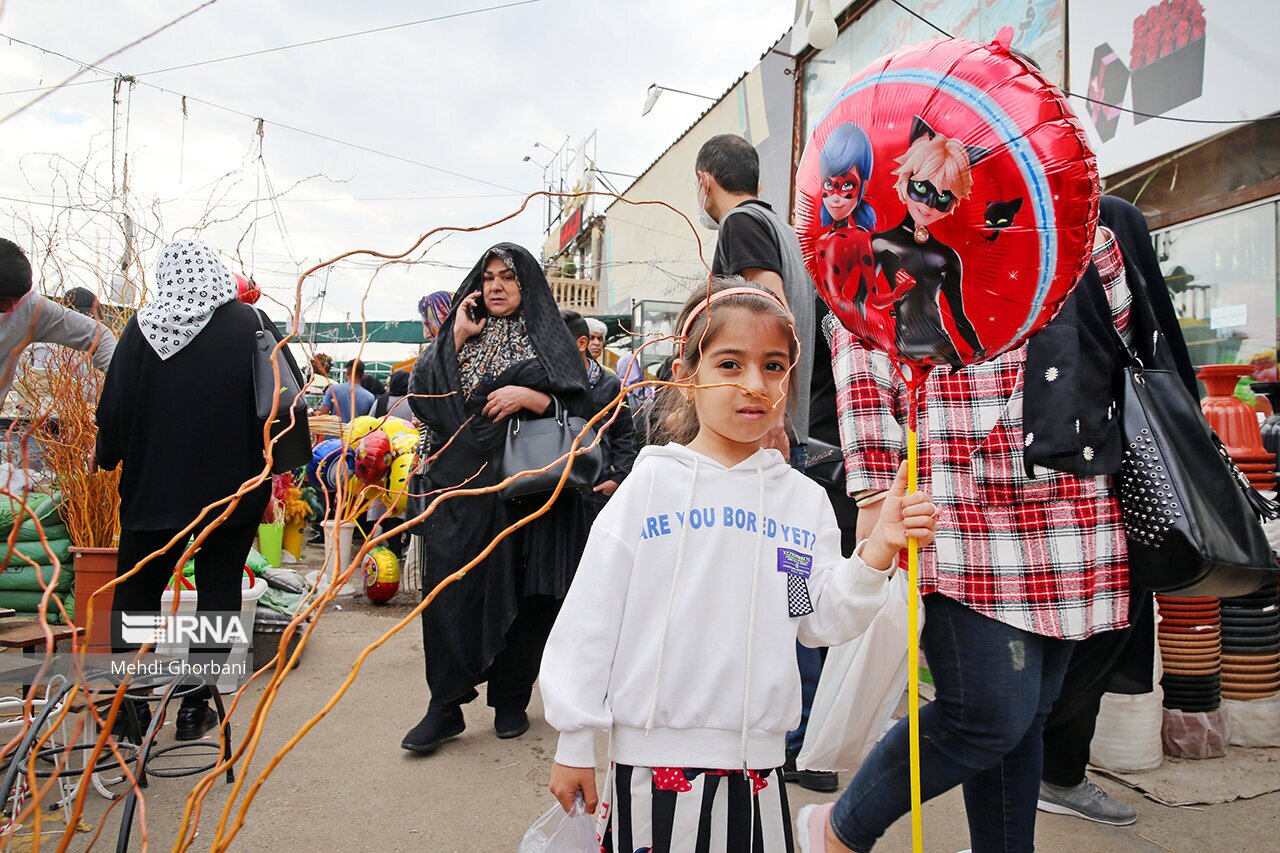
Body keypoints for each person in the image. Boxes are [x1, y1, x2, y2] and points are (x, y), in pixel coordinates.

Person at [803, 200, 1166, 852]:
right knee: (984, 716)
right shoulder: (893, 251)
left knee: (1028, 716)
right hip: (962, 516)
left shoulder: (1075, 234)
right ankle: (838, 828)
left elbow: (1119, 328)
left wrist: (1066, 237)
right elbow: (856, 342)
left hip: (1072, 506)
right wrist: (875, 499)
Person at [540, 278, 938, 851]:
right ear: (687, 371)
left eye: (774, 366)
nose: (755, 385)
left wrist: (877, 553)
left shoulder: (799, 503)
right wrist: (575, 740)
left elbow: (813, 617)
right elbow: (592, 618)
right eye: (730, 363)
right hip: (650, 769)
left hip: (758, 772)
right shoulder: (649, 488)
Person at [1037, 196, 1197, 828]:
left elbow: (1145, 327)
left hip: (1087, 457)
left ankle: (1051, 764)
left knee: (1100, 621)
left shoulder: (1089, 222)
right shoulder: (1098, 221)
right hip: (1089, 465)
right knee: (1106, 620)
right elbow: (1154, 338)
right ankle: (1045, 762)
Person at [404, 242, 592, 754]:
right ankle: (444, 707)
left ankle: (511, 698)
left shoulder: (547, 339)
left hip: (527, 491)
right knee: (448, 592)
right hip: (461, 490)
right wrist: (455, 336)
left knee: (528, 596)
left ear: (526, 283)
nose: (495, 287)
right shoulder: (462, 336)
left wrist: (534, 399)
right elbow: (422, 397)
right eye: (486, 278)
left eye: (507, 277)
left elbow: (584, 402)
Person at [695, 132, 839, 790]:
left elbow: (767, 308)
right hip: (800, 434)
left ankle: (796, 736)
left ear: (705, 182)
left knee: (786, 586)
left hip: (780, 439)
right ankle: (805, 737)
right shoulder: (782, 227)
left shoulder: (744, 225)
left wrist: (771, 413)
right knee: (796, 582)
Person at [96, 239, 276, 741]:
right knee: (219, 590)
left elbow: (113, 407)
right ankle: (198, 703)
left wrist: (108, 455)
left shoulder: (143, 328)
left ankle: (131, 706)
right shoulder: (252, 324)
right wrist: (273, 472)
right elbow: (286, 399)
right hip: (234, 489)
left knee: (138, 591)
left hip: (155, 488)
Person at [0, 238, 115, 409]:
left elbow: (100, 336)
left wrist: (120, 384)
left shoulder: (29, 307)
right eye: (5, 300)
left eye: (18, 299)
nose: (13, 307)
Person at [562, 310, 636, 516]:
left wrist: (618, 478)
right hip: (555, 490)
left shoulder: (610, 383)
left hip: (596, 490)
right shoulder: (545, 382)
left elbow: (624, 432)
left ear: (581, 343)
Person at [318, 358, 375, 422]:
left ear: (347, 372)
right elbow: (369, 421)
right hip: (358, 431)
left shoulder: (333, 389)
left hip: (336, 430)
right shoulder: (370, 397)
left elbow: (323, 415)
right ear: (363, 375)